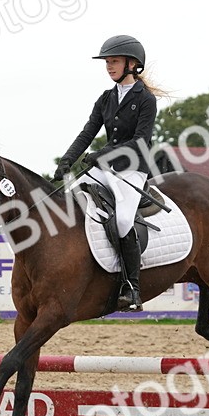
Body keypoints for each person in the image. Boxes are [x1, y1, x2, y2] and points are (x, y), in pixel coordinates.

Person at [52, 35, 159, 311]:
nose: (109, 66)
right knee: (68, 200)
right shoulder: (106, 98)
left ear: (132, 64)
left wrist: (102, 155)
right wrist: (67, 161)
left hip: (132, 170)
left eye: (114, 61)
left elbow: (140, 141)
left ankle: (132, 287)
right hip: (104, 169)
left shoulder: (145, 99)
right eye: (107, 62)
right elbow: (88, 132)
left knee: (123, 220)